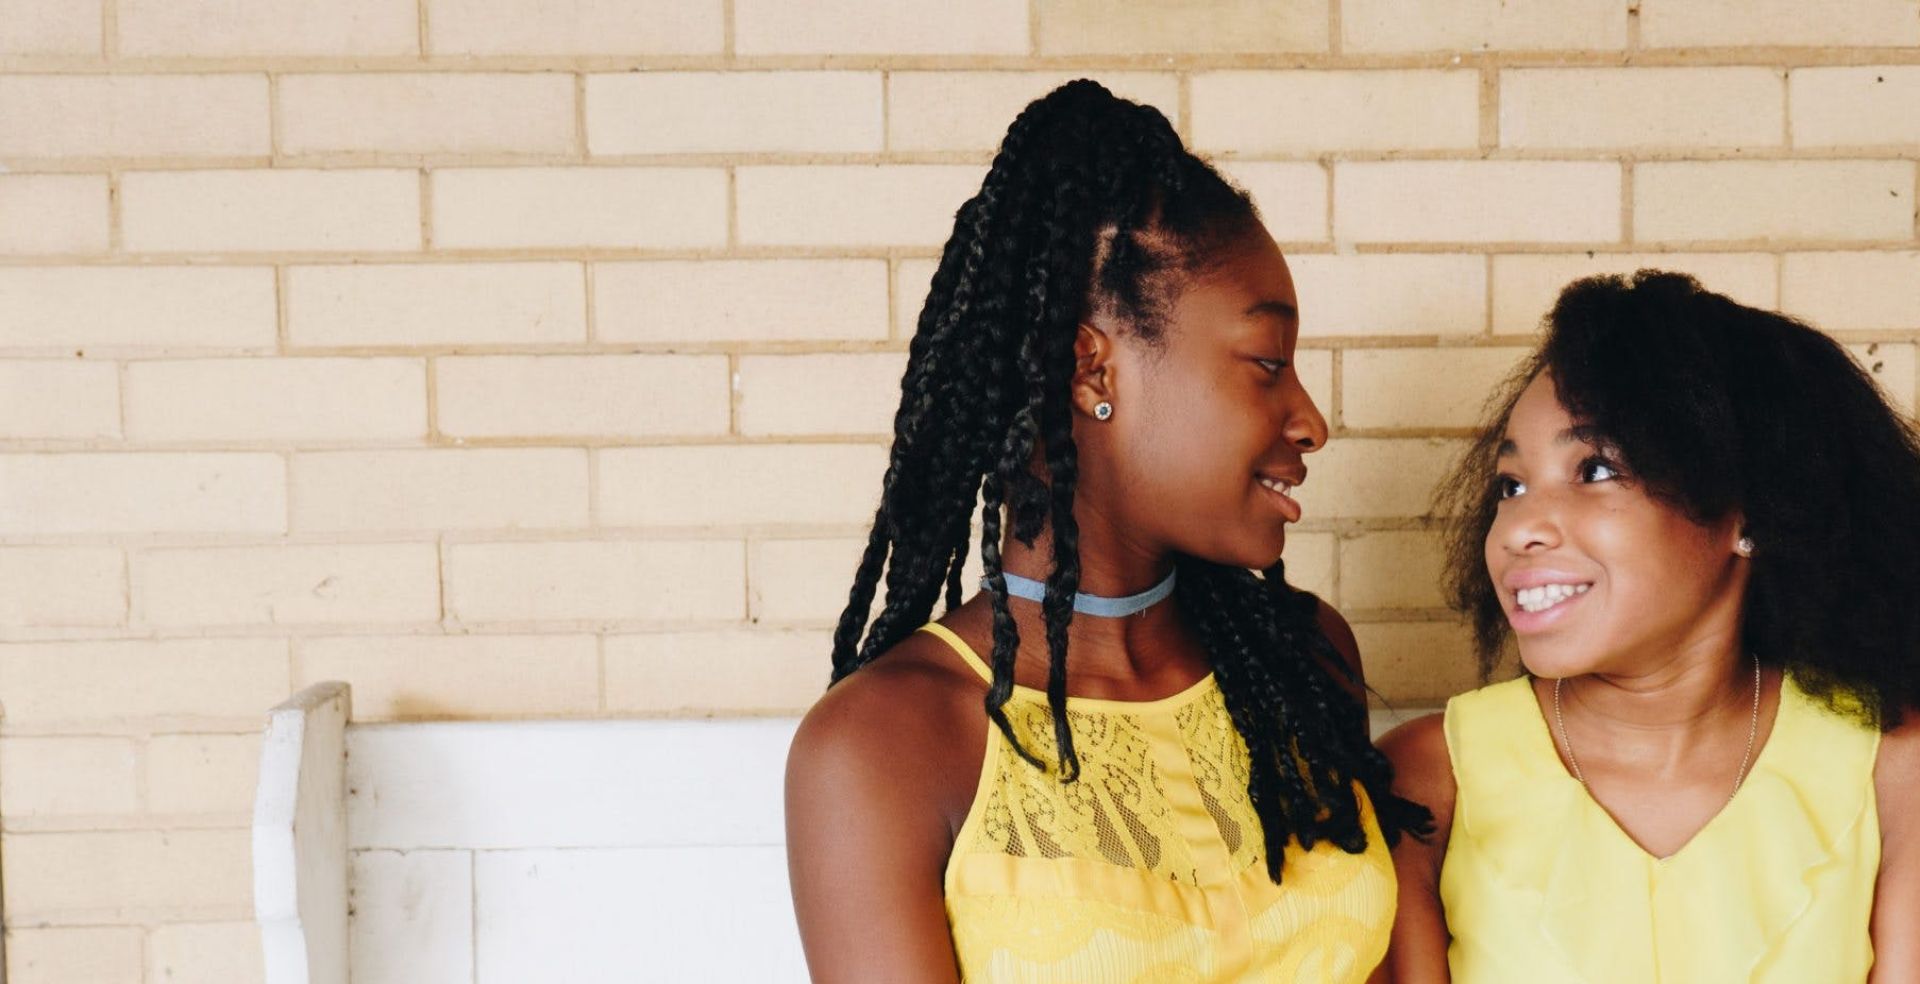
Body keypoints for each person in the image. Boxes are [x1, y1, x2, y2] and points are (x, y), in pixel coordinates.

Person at [784, 80, 1430, 983]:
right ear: (1093, 365)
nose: (1309, 419)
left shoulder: (1304, 658)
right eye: (1267, 365)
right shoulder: (886, 745)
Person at [1379, 271, 1920, 982]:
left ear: (1747, 514)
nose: (1519, 529)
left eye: (1595, 468)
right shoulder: (1426, 778)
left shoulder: (1890, 766)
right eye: (1511, 486)